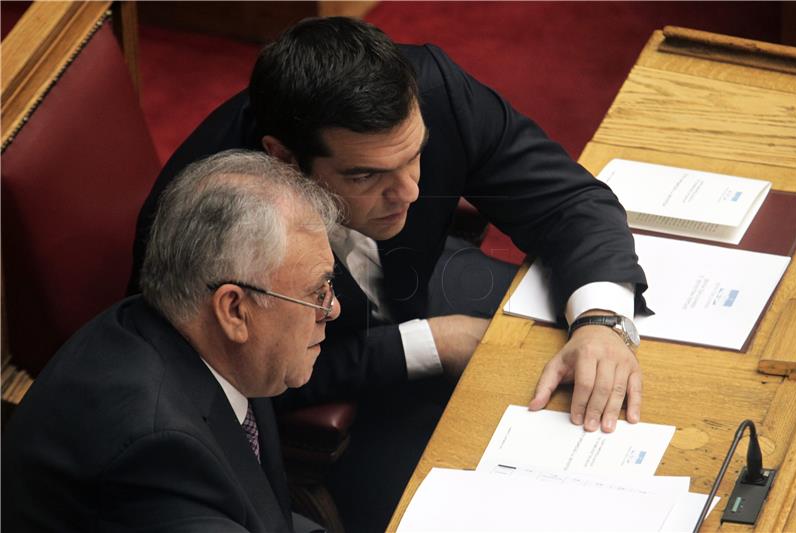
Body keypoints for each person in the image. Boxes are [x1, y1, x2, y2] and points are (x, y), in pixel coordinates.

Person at [128, 17, 650, 531]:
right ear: (282, 159)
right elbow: (217, 381)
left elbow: (569, 201)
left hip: (416, 279)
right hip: (336, 388)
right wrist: (425, 345)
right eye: (365, 175)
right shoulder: (206, 215)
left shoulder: (435, 91)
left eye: (415, 156)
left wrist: (602, 321)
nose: (411, 193)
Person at [2, 151, 342, 532]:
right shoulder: (159, 453)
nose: (333, 310)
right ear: (233, 310)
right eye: (316, 293)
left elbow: (265, 512)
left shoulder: (216, 345)